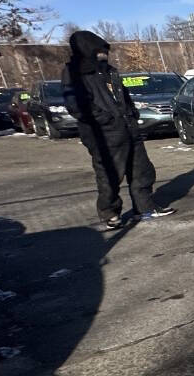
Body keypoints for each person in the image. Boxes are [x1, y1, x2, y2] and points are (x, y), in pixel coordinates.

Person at [61, 31, 175, 229]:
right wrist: (106, 120)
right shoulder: (74, 73)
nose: (104, 54)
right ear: (88, 50)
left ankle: (145, 208)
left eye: (105, 50)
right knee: (110, 176)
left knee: (142, 171)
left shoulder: (109, 71)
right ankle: (110, 213)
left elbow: (123, 96)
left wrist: (132, 113)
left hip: (129, 128)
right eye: (99, 50)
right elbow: (77, 106)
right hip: (104, 136)